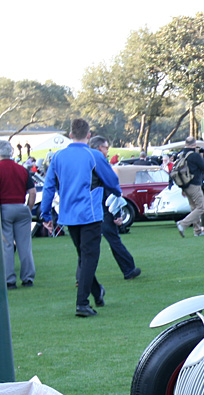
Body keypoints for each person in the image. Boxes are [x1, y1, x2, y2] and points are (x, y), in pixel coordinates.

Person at [41, 118, 122, 317]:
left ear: (70, 135)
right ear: (88, 135)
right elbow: (111, 180)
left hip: (68, 215)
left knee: (84, 257)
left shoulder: (58, 157)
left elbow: (49, 185)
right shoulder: (93, 155)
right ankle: (82, 303)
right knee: (89, 258)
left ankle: (96, 292)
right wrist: (116, 193)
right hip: (90, 214)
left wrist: (44, 213)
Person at [89, 136, 140, 281]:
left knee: (88, 243)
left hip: (88, 207)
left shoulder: (84, 161)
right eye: (106, 148)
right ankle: (128, 269)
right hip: (103, 206)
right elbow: (110, 184)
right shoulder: (100, 161)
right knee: (113, 239)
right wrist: (116, 212)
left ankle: (82, 277)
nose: (107, 151)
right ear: (100, 148)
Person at [0, 139, 37, 289]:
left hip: (4, 208)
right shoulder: (22, 169)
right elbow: (32, 192)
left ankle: (9, 279)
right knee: (24, 245)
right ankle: (28, 278)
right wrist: (28, 207)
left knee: (7, 244)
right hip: (21, 207)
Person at [172, 135, 204, 237]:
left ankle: (197, 231)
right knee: (201, 208)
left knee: (194, 208)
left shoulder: (181, 155)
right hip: (194, 184)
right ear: (194, 145)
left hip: (185, 185)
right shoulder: (194, 156)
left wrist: (182, 188)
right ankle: (182, 224)